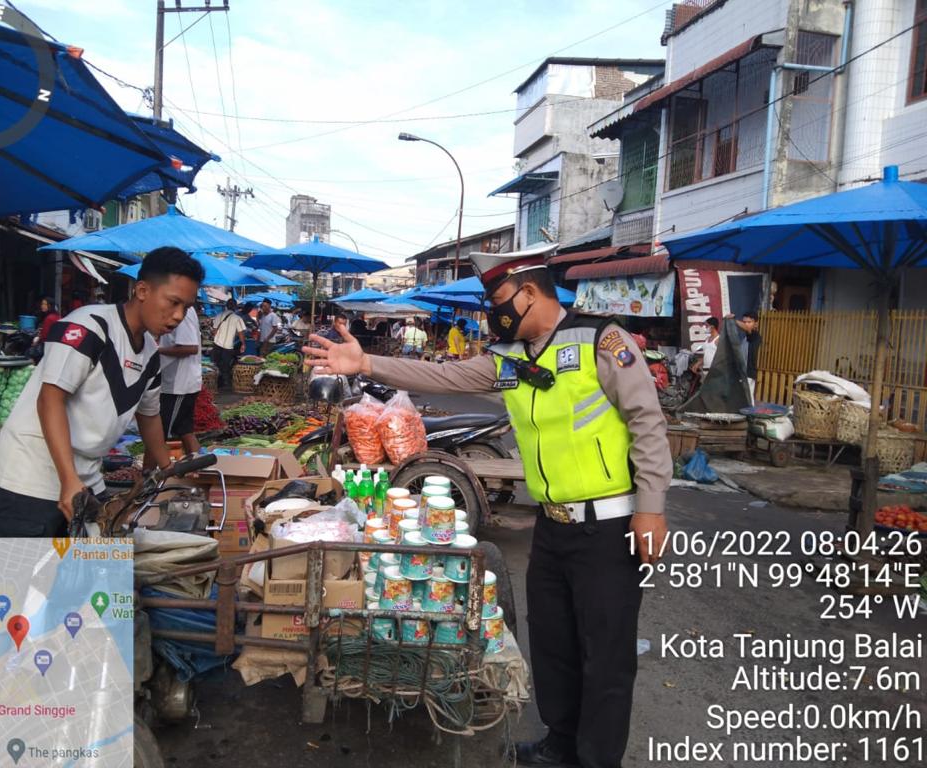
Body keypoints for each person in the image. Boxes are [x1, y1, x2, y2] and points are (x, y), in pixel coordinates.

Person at [304, 245, 670, 768]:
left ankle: (596, 759)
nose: (494, 313)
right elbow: (444, 378)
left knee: (605, 656)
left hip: (609, 527)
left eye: (499, 301)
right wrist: (365, 363)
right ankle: (560, 743)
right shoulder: (510, 360)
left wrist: (651, 506)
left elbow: (647, 421)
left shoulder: (600, 341)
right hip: (552, 526)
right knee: (553, 643)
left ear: (529, 293)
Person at [0, 247, 204, 537]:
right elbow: (50, 399)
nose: (178, 316)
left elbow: (150, 417)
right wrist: (68, 480)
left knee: (93, 562)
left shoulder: (151, 354)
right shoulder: (88, 326)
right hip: (30, 477)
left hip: (86, 479)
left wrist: (166, 472)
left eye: (186, 308)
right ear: (142, 290)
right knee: (29, 567)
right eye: (173, 302)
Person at [151, 303, 202, 462]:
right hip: (177, 382)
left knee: (158, 434)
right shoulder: (178, 310)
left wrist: (157, 350)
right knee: (184, 430)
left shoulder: (183, 312)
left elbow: (190, 348)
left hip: (178, 385)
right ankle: (199, 467)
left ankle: (150, 472)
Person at [211, 298, 247, 388]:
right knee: (226, 365)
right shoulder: (237, 318)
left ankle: (216, 383)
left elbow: (214, 331)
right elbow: (241, 332)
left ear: (226, 306)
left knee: (216, 364)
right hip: (228, 346)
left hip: (217, 344)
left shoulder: (219, 315)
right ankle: (225, 383)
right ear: (235, 307)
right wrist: (243, 344)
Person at [736, 311, 762, 403]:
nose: (746, 324)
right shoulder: (745, 338)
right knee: (743, 397)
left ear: (756, 324)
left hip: (749, 372)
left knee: (747, 398)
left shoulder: (755, 335)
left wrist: (733, 320)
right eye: (744, 322)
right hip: (743, 372)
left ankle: (749, 411)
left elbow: (747, 329)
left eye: (749, 322)